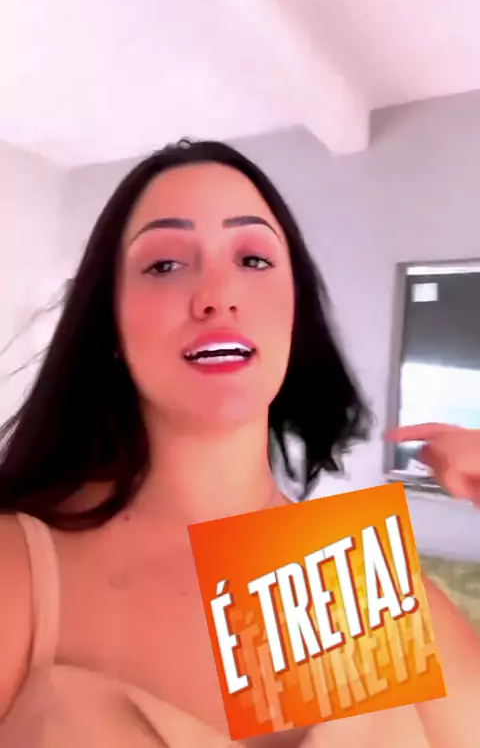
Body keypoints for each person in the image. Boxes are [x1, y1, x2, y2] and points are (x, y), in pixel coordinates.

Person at [0, 140, 478, 748]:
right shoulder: (21, 569)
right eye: (165, 265)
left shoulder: (372, 588)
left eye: (253, 259)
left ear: (295, 314)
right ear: (110, 322)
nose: (217, 295)